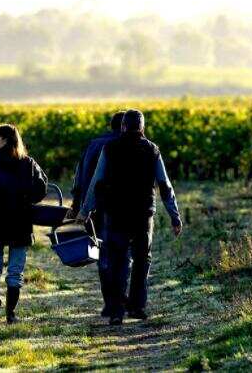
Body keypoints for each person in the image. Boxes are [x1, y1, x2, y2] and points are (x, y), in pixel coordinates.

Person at [77, 109, 182, 325]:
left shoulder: (110, 148)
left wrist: (85, 210)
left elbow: (97, 181)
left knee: (117, 259)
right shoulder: (152, 150)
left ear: (123, 127)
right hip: (143, 214)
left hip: (115, 213)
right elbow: (165, 185)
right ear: (142, 128)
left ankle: (116, 311)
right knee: (143, 259)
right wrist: (174, 215)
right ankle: (137, 306)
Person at [0, 124, 47, 324]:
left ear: (4, 140)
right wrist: (26, 199)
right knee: (16, 269)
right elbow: (41, 188)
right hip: (21, 221)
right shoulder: (28, 163)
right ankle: (11, 313)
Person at [67, 111, 125, 317]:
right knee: (125, 253)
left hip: (97, 207)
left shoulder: (94, 144)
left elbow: (80, 175)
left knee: (103, 251)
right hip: (127, 208)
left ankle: (110, 302)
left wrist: (78, 204)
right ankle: (121, 298)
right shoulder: (135, 144)